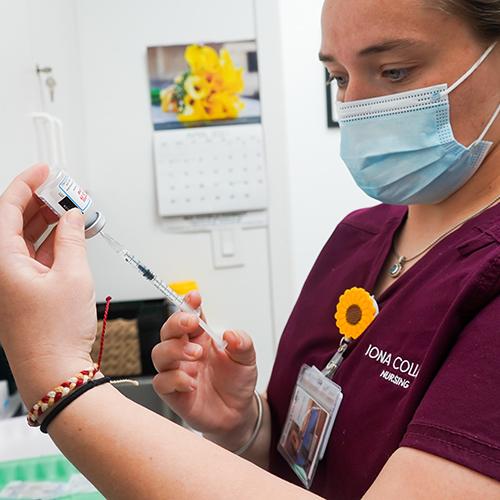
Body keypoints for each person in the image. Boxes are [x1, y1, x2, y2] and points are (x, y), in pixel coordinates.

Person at [0, 0, 498, 498]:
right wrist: (247, 426)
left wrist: (54, 370)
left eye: (393, 71)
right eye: (338, 78)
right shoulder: (360, 237)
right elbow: (308, 465)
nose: (357, 105)